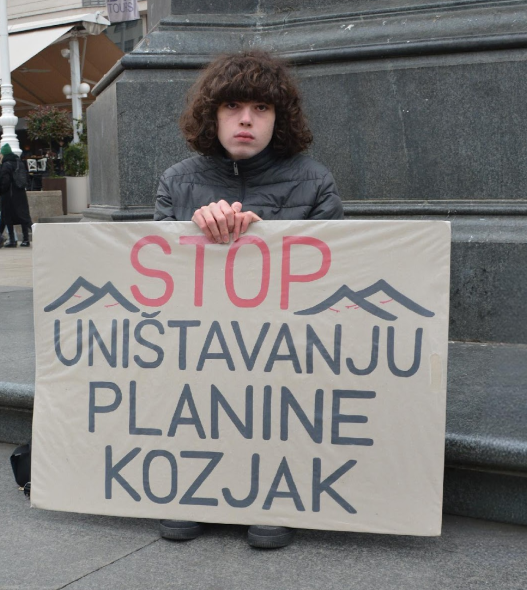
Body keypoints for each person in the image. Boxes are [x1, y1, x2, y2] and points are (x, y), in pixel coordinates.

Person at [153, 51, 343, 549]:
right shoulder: (177, 182)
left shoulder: (315, 181)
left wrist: (265, 240)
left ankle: (275, 491)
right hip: (201, 348)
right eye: (233, 106)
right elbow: (153, 281)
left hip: (283, 349)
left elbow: (334, 280)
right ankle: (191, 485)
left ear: (278, 118)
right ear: (211, 114)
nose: (245, 119)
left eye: (261, 108)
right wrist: (196, 231)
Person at [0, 144, 32, 247]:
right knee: (24, 216)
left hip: (9, 194)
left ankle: (12, 240)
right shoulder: (20, 162)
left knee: (7, 216)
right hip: (20, 192)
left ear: (3, 154)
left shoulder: (5, 165)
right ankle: (26, 239)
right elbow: (26, 177)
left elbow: (5, 181)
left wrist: (0, 190)